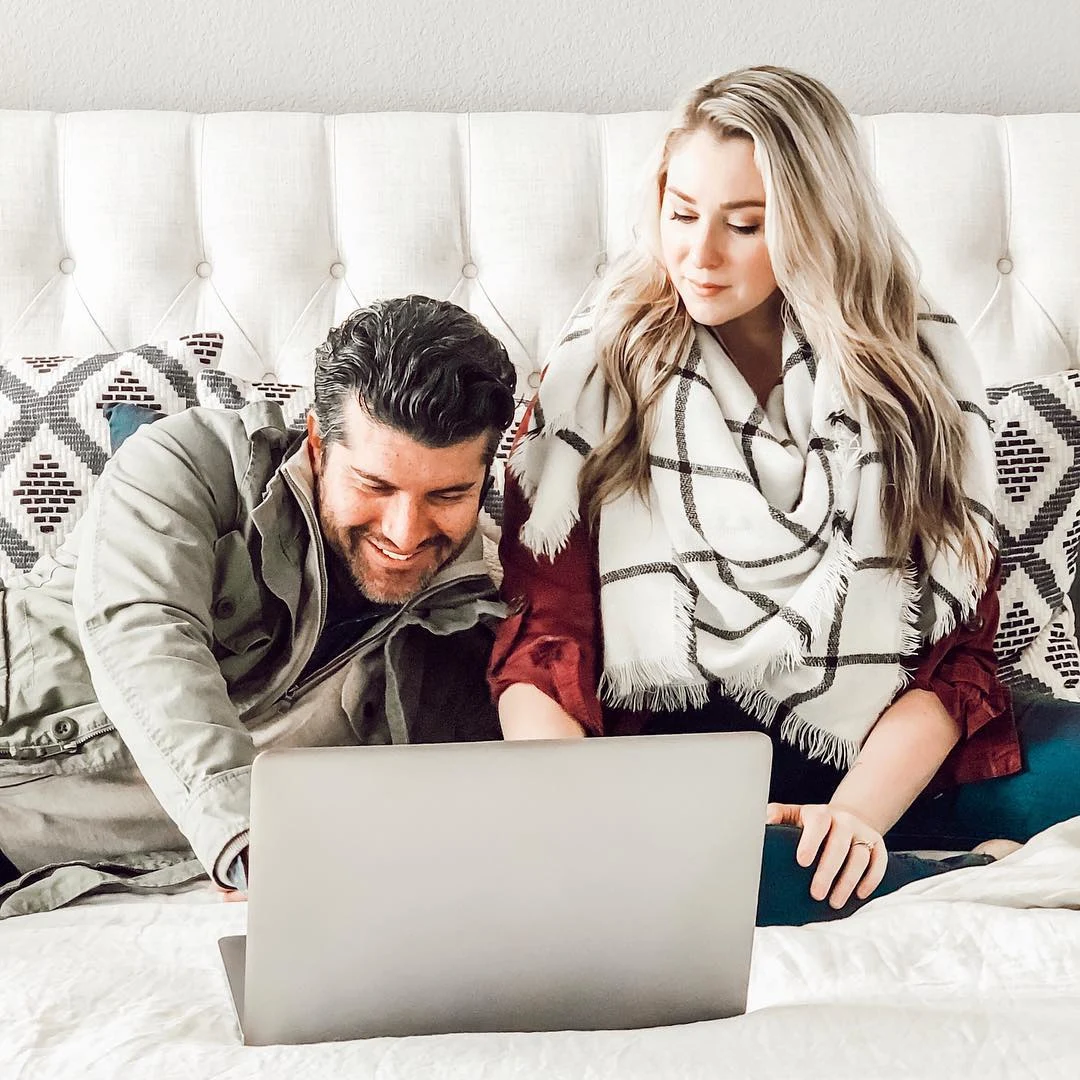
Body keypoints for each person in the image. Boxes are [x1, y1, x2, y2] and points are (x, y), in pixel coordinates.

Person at [489, 66, 1080, 926]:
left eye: (746, 225)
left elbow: (956, 660)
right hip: (675, 763)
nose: (699, 254)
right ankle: (943, 880)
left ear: (817, 226)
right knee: (677, 883)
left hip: (882, 755)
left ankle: (853, 868)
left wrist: (855, 819)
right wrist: (586, 821)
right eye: (681, 213)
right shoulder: (595, 377)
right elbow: (542, 643)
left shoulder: (918, 374)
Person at [0, 295, 517, 914]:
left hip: (45, 862)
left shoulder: (477, 615)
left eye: (448, 494)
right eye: (374, 486)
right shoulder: (189, 462)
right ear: (321, 448)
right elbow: (144, 631)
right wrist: (253, 841)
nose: (405, 533)